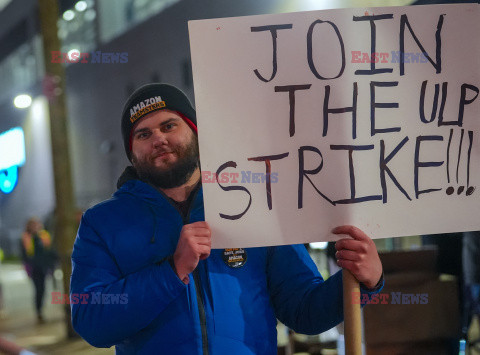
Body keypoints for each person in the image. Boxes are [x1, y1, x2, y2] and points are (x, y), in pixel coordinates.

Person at [70, 83, 384, 354]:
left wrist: (363, 280)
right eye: (143, 133)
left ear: (194, 131)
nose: (158, 139)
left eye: (169, 126)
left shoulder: (256, 202)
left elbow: (304, 310)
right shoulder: (102, 223)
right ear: (132, 151)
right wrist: (171, 271)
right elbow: (92, 323)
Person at [20, 217, 52, 323]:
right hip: (34, 269)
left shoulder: (43, 236)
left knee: (43, 290)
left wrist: (50, 266)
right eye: (33, 225)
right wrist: (27, 268)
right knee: (38, 290)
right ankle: (39, 312)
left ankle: (40, 310)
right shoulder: (25, 237)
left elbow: (49, 252)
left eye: (36, 224)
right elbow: (24, 255)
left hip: (43, 267)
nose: (35, 227)